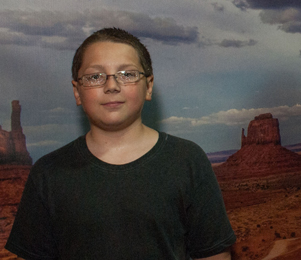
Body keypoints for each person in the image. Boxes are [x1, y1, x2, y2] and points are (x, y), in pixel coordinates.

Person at [5, 27, 236, 260]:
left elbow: (215, 256)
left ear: (148, 86)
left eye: (127, 74)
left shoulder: (187, 160)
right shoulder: (48, 173)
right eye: (95, 76)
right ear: (77, 92)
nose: (112, 86)